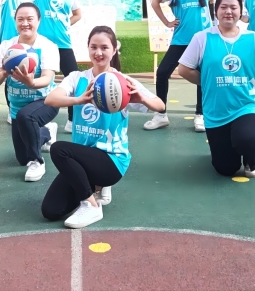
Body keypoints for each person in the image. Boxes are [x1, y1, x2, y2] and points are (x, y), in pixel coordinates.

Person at [41, 26, 164, 229]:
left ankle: (91, 205)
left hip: (111, 160)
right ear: (88, 48)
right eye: (94, 47)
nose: (98, 52)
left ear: (114, 50)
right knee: (50, 210)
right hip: (82, 160)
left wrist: (141, 98)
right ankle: (94, 188)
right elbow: (50, 99)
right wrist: (79, 99)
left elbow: (160, 106)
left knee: (58, 149)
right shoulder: (77, 78)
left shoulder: (123, 83)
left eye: (104, 47)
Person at [145, 0, 237, 132]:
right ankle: (161, 114)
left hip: (203, 38)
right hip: (181, 37)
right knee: (163, 72)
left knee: (203, 75)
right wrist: (167, 22)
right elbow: (155, 2)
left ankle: (200, 115)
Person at [178, 0, 255, 178]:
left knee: (248, 140)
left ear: (241, 11)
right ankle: (233, 151)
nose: (228, 11)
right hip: (216, 110)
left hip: (247, 105)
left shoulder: (253, 38)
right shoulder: (202, 38)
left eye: (233, 7)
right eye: (223, 7)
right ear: (216, 11)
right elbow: (184, 69)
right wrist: (207, 82)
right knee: (225, 169)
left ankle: (252, 158)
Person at [0, 3, 61, 182]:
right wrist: (4, 71)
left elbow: (47, 78)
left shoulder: (48, 46)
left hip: (45, 102)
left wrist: (31, 82)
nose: (25, 23)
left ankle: (37, 162)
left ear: (39, 21)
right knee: (22, 158)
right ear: (15, 21)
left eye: (30, 19)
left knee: (26, 117)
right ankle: (46, 132)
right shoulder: (6, 47)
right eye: (20, 19)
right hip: (17, 108)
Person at [22, 0, 81, 134]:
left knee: (74, 80)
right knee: (39, 81)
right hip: (43, 45)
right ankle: (36, 118)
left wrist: (66, 23)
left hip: (63, 43)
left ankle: (72, 120)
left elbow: (77, 14)